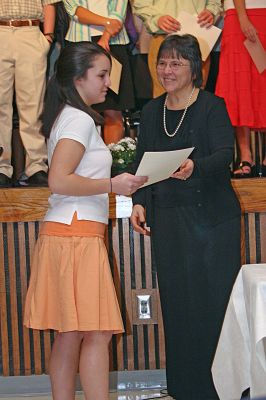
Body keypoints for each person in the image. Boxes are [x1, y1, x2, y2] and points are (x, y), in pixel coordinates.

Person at [23, 42, 147, 400]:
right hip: (75, 235)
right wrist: (112, 184)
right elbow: (59, 179)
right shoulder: (78, 119)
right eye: (102, 74)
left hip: (69, 233)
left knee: (71, 333)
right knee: (94, 333)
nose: (108, 82)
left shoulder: (68, 115)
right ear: (78, 77)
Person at [130, 34, 241, 400]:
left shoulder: (212, 106)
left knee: (213, 305)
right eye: (163, 62)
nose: (167, 70)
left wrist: (195, 166)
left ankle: (219, 389)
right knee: (178, 305)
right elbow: (141, 165)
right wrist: (139, 201)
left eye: (177, 63)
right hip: (170, 221)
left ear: (196, 68)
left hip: (212, 221)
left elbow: (227, 155)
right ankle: (184, 388)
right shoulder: (150, 111)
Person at [0, 0, 59, 188]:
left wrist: (47, 37)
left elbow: (49, 3)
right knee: (0, 106)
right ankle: (2, 167)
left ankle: (36, 167)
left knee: (33, 105)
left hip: (31, 30)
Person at [63, 0, 135, 144]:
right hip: (80, 43)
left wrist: (105, 38)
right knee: (80, 110)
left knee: (113, 110)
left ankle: (112, 162)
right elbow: (74, 10)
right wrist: (107, 23)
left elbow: (118, 13)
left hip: (113, 44)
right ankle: (85, 161)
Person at [215, 0, 266, 178]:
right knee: (239, 84)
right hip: (239, 15)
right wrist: (242, 17)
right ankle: (245, 155)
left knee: (263, 85)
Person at [132, 0, 222, 97]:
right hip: (164, 37)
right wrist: (157, 19)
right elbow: (140, 4)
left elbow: (215, 2)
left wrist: (210, 11)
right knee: (164, 95)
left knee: (196, 94)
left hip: (199, 36)